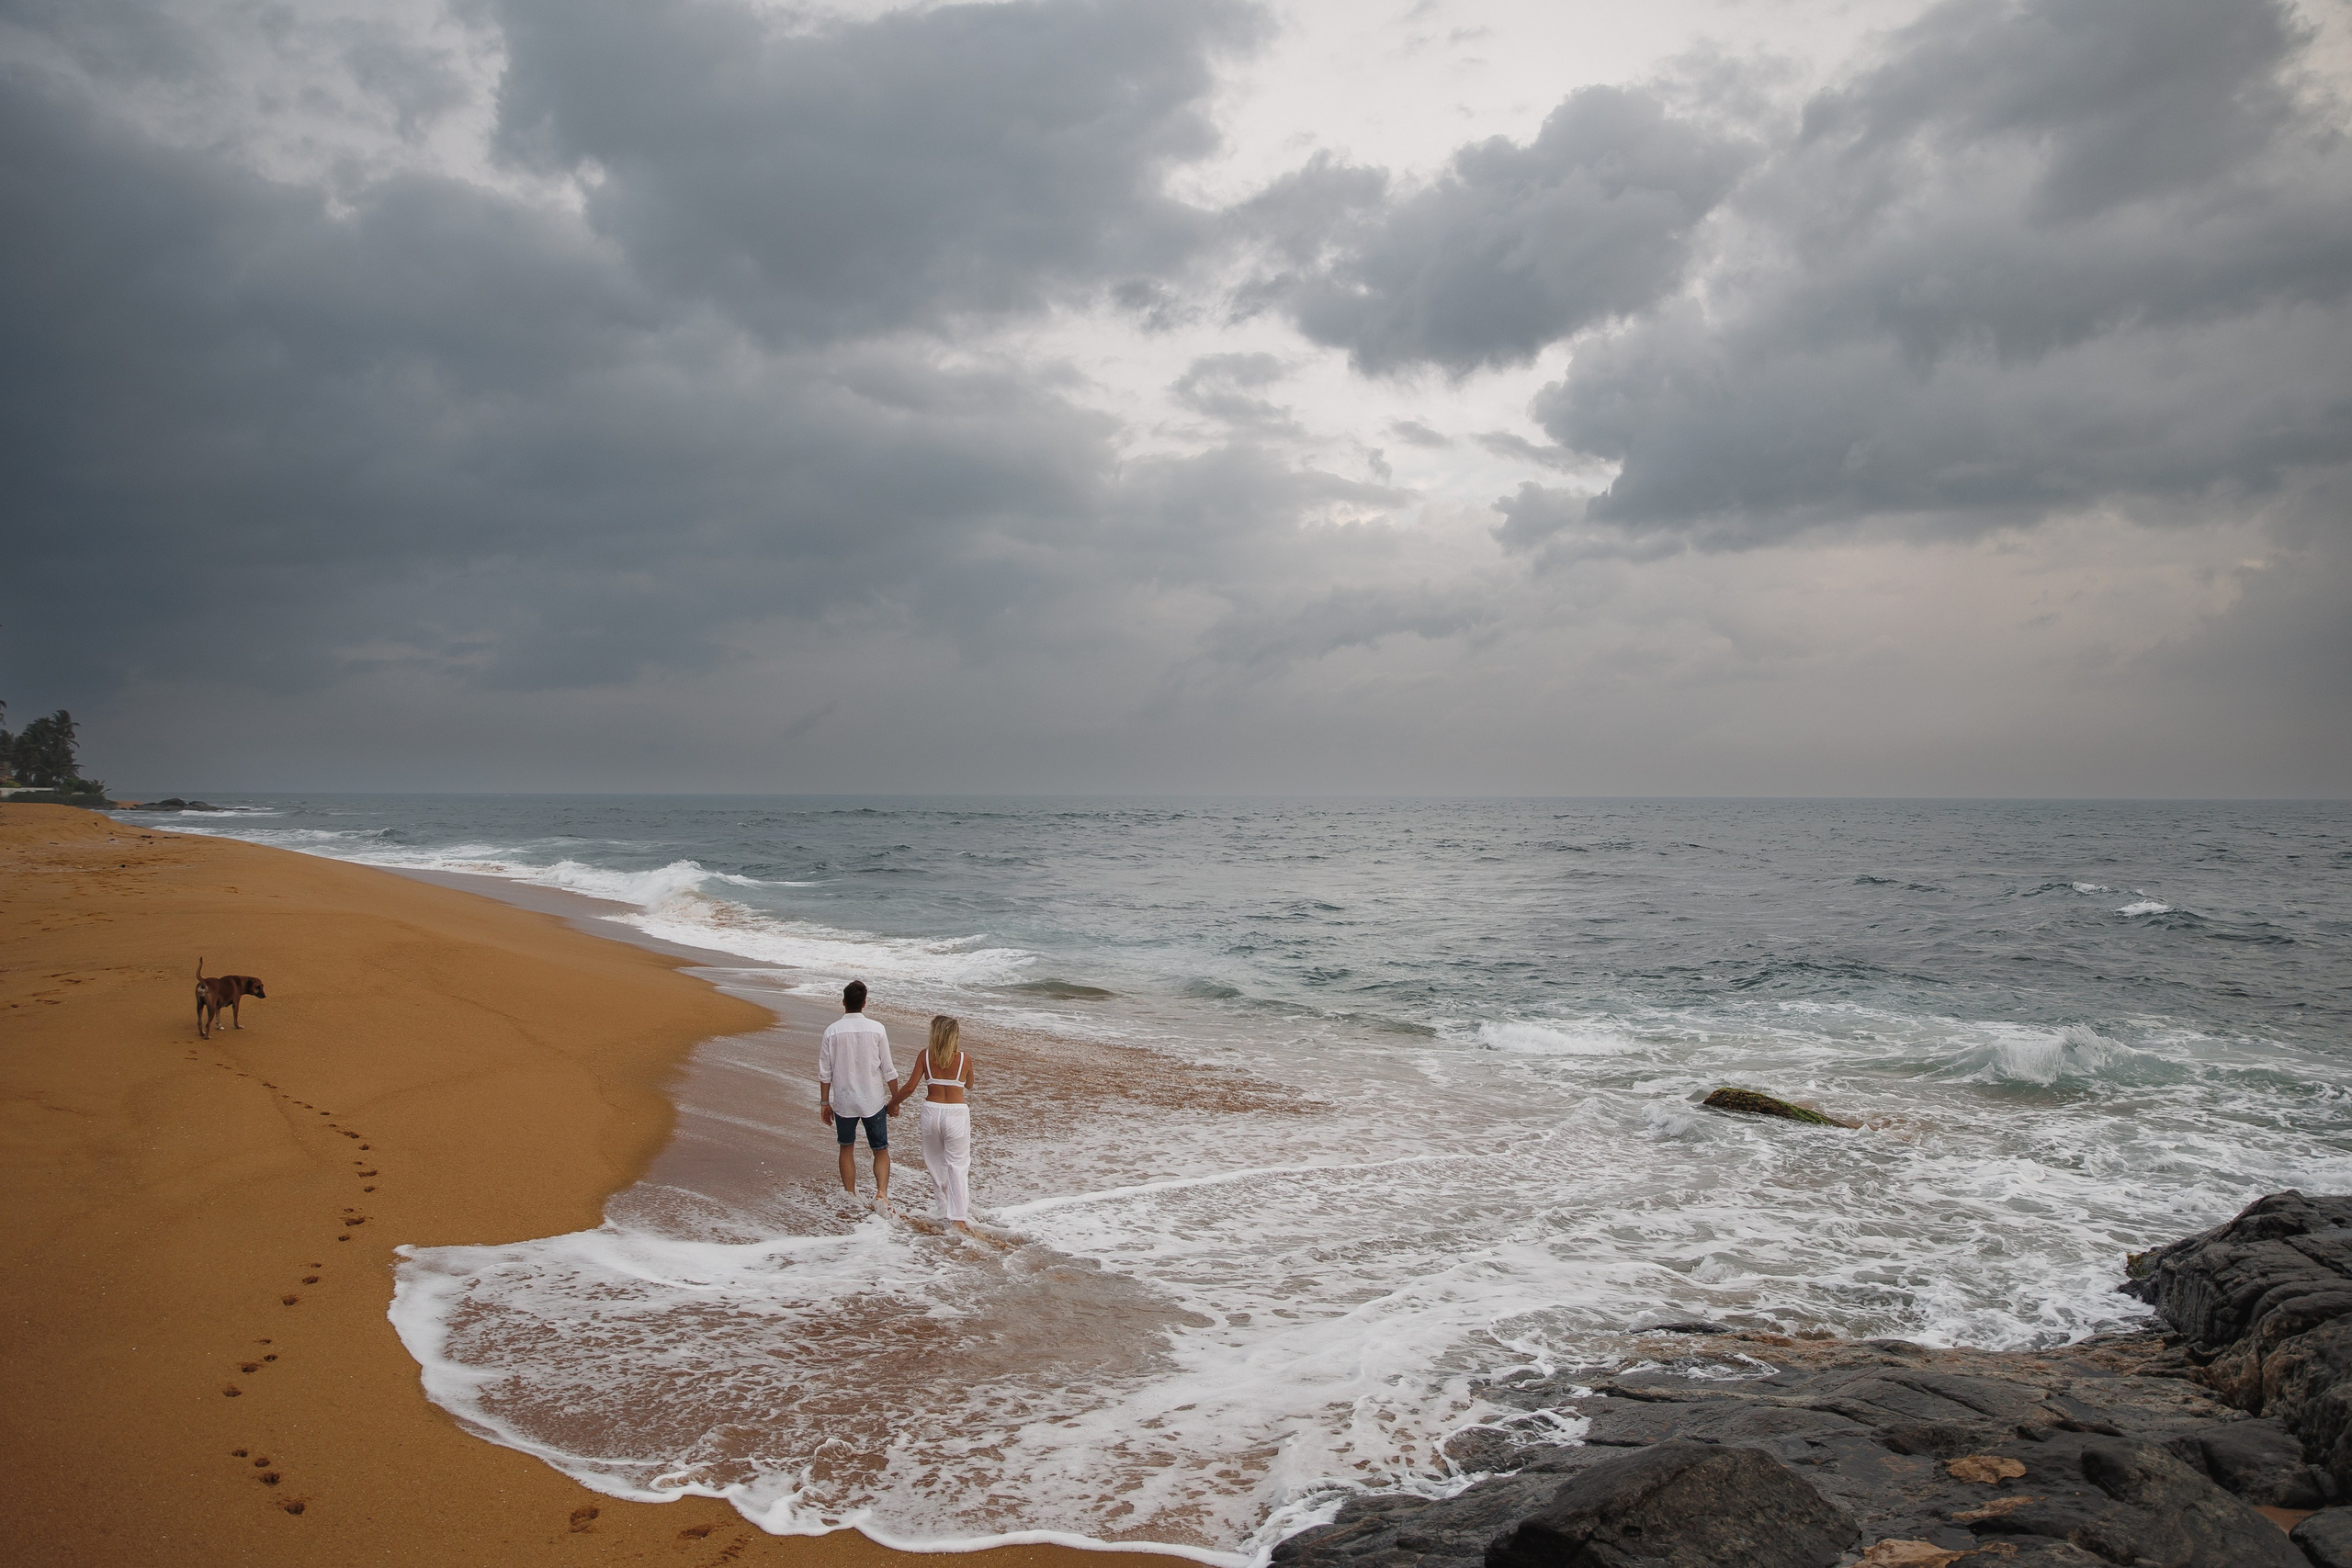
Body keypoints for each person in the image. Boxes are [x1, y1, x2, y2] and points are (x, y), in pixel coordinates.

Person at [886, 1014, 979, 1235]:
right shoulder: (964, 1059)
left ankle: (943, 1207)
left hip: (931, 1111)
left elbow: (909, 1087)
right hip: (956, 1113)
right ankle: (958, 1218)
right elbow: (970, 1084)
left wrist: (892, 1105)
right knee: (958, 1165)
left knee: (935, 1162)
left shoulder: (925, 1056)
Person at [817, 979, 898, 1208]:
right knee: (880, 1149)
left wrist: (824, 1102)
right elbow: (888, 1068)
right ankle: (881, 1193)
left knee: (846, 1147)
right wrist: (895, 1099)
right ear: (864, 1003)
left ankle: (850, 1195)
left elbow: (825, 1072)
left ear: (843, 1002)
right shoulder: (877, 1029)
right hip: (873, 1100)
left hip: (844, 1101)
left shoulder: (832, 1031)